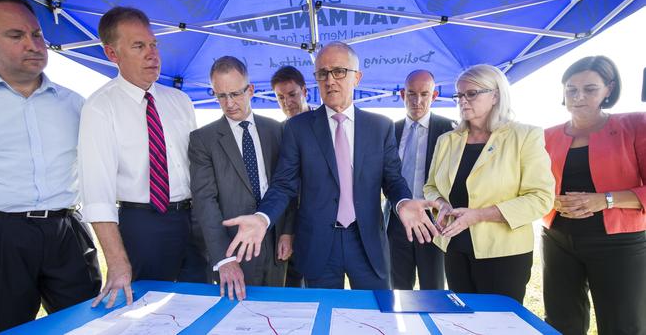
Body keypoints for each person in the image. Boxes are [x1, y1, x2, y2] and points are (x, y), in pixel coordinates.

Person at [223, 41, 440, 290]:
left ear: (356, 77)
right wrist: (263, 218)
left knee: (374, 319)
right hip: (319, 246)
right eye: (322, 73)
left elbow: (392, 179)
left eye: (339, 71)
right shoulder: (298, 128)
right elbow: (283, 185)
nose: (330, 80)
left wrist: (403, 203)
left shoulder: (380, 127)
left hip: (366, 243)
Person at [79, 6, 206, 309]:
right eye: (139, 46)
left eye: (153, 44)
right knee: (148, 314)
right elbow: (98, 194)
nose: (152, 54)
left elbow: (199, 169)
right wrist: (118, 262)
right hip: (142, 224)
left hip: (191, 221)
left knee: (199, 305)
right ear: (112, 53)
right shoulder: (100, 108)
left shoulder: (180, 100)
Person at [0, 0, 101, 331]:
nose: (33, 44)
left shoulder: (76, 104)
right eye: (16, 35)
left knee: (86, 323)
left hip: (68, 231)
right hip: (3, 236)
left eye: (37, 34)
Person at [423, 64, 555, 303]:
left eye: (471, 93)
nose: (463, 100)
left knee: (498, 324)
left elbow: (541, 198)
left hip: (504, 254)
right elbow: (431, 186)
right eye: (459, 95)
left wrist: (479, 215)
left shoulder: (525, 136)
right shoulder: (447, 140)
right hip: (453, 248)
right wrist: (441, 204)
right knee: (462, 321)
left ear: (495, 95)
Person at [542, 56, 646, 335]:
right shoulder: (547, 135)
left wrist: (604, 199)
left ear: (608, 89)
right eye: (571, 89)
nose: (578, 97)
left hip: (619, 244)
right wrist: (552, 201)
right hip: (558, 239)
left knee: (622, 325)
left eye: (590, 89)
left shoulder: (636, 125)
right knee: (560, 323)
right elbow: (534, 188)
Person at [189, 56, 294, 300]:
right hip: (234, 249)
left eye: (235, 94)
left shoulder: (277, 130)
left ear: (250, 90)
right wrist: (224, 259)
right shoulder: (202, 140)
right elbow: (205, 202)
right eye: (221, 96)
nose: (229, 103)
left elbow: (287, 186)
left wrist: (287, 232)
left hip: (276, 243)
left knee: (275, 314)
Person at [386, 70, 453, 290]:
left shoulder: (450, 130)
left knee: (433, 291)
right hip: (397, 222)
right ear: (403, 94)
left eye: (425, 94)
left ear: (433, 96)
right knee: (398, 290)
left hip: (433, 222)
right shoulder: (389, 131)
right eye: (412, 94)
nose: (418, 100)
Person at [270, 65, 312, 288]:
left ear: (305, 91)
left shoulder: (325, 124)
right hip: (286, 224)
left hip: (322, 224)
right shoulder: (277, 133)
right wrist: (287, 230)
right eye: (280, 97)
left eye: (292, 94)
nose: (287, 102)